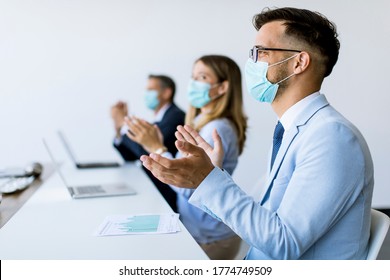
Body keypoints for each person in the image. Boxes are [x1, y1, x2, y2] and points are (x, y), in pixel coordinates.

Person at [140, 7, 374, 260]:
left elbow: (283, 243)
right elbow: (259, 224)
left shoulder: (332, 138)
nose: (251, 62)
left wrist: (209, 180)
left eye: (260, 52)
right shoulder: (294, 131)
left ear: (299, 62)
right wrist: (212, 177)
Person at [124, 55, 248, 260]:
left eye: (202, 77)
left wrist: (157, 147)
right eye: (193, 76)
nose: (193, 83)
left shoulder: (218, 128)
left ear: (222, 88)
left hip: (211, 237)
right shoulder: (202, 120)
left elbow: (188, 185)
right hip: (198, 228)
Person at [111, 74, 185, 212]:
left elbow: (147, 152)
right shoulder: (161, 118)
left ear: (167, 92)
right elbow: (131, 156)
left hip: (168, 194)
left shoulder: (175, 117)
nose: (147, 94)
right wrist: (118, 128)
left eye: (151, 90)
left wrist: (123, 123)